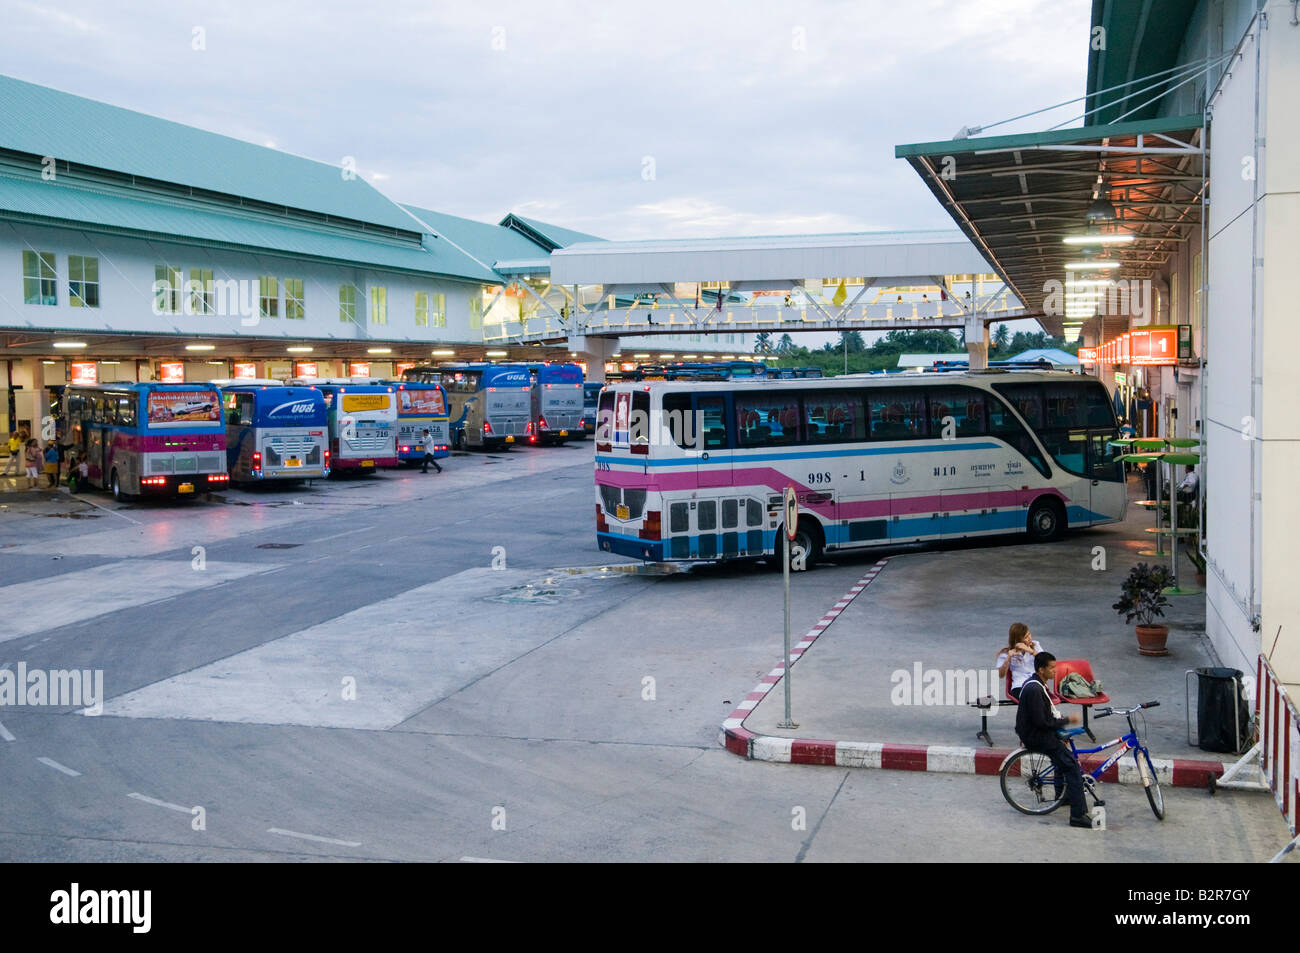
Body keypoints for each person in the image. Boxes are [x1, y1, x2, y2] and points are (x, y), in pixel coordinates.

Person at [1015, 652, 1091, 828]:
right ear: (1041, 670)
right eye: (1051, 668)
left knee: (1063, 760)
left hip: (1038, 732)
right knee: (1072, 766)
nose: (1055, 671)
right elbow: (1042, 722)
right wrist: (1066, 721)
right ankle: (1078, 816)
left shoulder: (1037, 684)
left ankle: (1064, 796)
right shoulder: (1034, 689)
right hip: (1037, 736)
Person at [995, 622, 1043, 700]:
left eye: (1029, 634)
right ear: (1017, 640)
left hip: (1037, 683)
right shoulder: (1005, 653)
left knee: (1036, 694)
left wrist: (1030, 651)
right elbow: (1001, 675)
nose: (1030, 638)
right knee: (1032, 696)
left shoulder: (1036, 645)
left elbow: (1045, 662)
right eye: (1026, 637)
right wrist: (1008, 658)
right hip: (1019, 686)